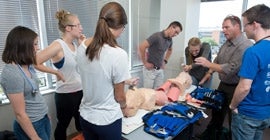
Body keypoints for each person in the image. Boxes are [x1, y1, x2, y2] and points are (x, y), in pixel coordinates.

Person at [76, 2, 133, 140]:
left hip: (85, 116)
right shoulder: (118, 54)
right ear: (119, 26)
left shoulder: (82, 46)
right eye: (123, 27)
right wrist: (124, 107)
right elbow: (119, 96)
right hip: (107, 120)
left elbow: (95, 75)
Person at [194, 15, 253, 139]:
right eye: (222, 27)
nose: (223, 30)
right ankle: (210, 135)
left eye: (227, 27)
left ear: (237, 26)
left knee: (234, 120)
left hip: (236, 87)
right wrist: (209, 73)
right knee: (216, 113)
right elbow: (218, 59)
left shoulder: (245, 46)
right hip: (223, 85)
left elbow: (231, 68)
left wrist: (208, 64)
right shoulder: (227, 43)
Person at [35, 9, 83, 140]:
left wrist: (82, 45)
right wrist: (55, 71)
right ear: (68, 28)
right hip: (66, 95)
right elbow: (35, 61)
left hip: (80, 92)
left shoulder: (75, 44)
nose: (81, 28)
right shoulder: (58, 45)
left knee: (82, 124)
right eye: (78, 25)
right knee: (63, 126)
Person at [0, 26, 51, 140]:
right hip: (31, 125)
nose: (38, 48)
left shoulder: (27, 66)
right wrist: (34, 137)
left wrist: (45, 114)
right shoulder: (12, 74)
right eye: (35, 44)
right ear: (23, 46)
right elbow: (20, 114)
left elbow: (35, 94)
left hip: (42, 119)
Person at [229, 4, 270, 140]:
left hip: (248, 114)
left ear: (255, 25)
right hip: (266, 114)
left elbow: (244, 87)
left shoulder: (253, 51)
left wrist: (233, 105)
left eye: (245, 25)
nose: (244, 29)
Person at [139, 21, 183, 89]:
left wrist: (165, 61)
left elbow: (170, 50)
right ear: (172, 27)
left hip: (160, 71)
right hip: (150, 71)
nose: (176, 35)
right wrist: (145, 63)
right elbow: (142, 46)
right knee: (148, 94)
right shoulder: (156, 36)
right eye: (176, 32)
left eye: (177, 33)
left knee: (159, 92)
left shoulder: (170, 40)